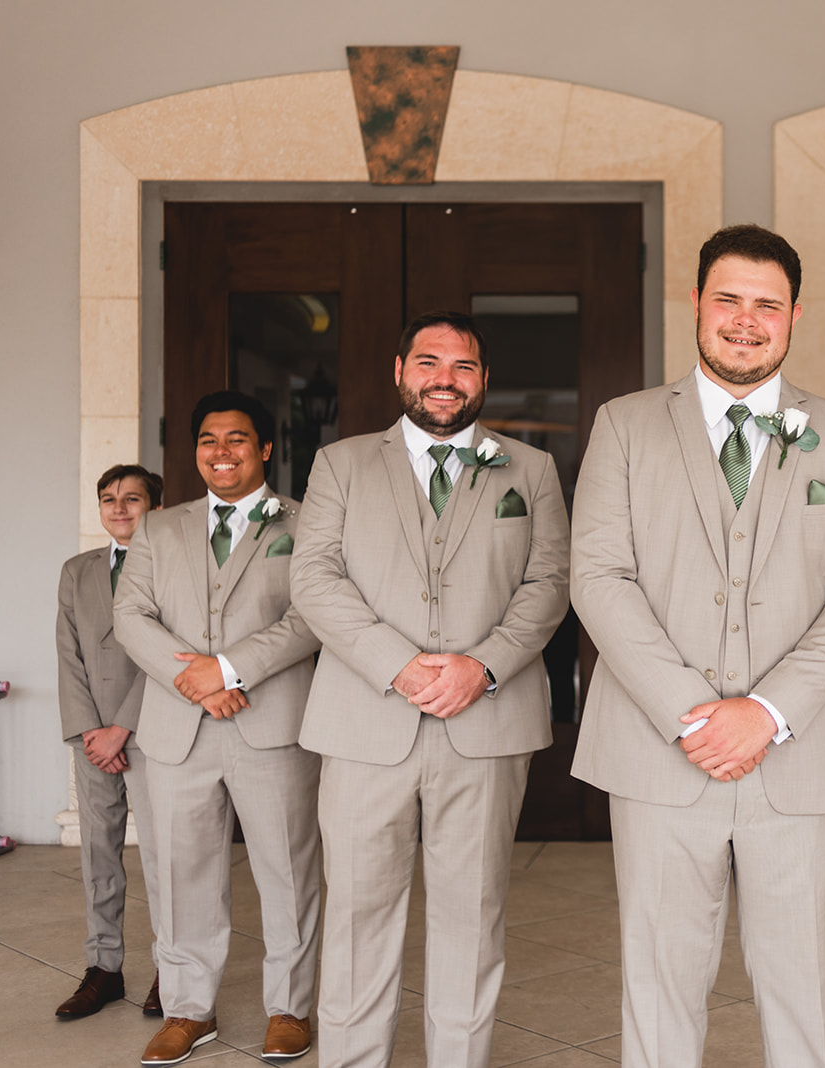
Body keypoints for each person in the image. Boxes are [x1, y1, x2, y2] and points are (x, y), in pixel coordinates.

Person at [570, 224, 825, 1068]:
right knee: (659, 979)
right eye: (728, 300)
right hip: (656, 751)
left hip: (803, 753)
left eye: (767, 305)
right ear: (695, 304)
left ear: (794, 317)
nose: (745, 322)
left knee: (796, 985)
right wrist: (695, 715)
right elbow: (599, 578)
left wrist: (767, 710)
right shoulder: (625, 424)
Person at [290, 311, 570, 1068]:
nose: (445, 378)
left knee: (472, 916)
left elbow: (549, 584)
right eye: (429, 362)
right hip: (363, 723)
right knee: (356, 919)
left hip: (487, 723)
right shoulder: (340, 465)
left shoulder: (531, 470)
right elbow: (313, 577)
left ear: (483, 379)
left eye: (464, 366)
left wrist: (482, 666)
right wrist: (398, 664)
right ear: (399, 370)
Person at [113, 391, 322, 1066]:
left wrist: (229, 671)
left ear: (264, 448)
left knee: (289, 869)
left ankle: (291, 1007)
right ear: (195, 450)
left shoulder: (310, 523)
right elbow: (131, 617)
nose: (221, 451)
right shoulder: (158, 529)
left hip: (273, 723)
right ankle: (186, 1009)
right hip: (177, 729)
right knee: (179, 872)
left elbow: (313, 614)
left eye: (237, 439)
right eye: (208, 439)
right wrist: (196, 681)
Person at [54, 463, 165, 1021]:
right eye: (108, 499)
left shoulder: (173, 564)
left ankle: (174, 970)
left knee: (168, 856)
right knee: (100, 854)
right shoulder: (77, 571)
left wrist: (125, 725)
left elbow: (171, 654)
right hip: (92, 734)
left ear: (156, 507)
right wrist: (92, 731)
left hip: (154, 728)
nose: (119, 508)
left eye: (132, 499)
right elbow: (68, 654)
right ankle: (104, 967)